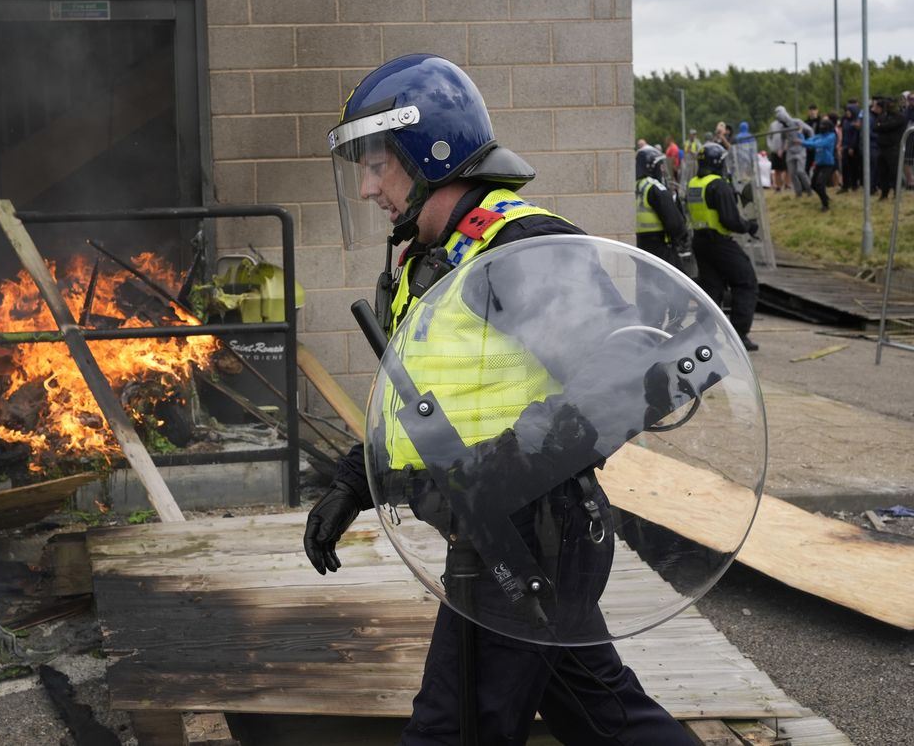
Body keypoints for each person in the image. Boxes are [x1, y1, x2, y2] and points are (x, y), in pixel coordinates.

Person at [304, 54, 692, 746]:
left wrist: (503, 469)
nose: (367, 189)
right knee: (606, 720)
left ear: (431, 152)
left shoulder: (516, 249)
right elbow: (437, 401)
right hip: (515, 535)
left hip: (524, 535)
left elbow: (624, 378)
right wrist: (354, 481)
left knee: (452, 731)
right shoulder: (443, 254)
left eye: (377, 164)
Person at [687, 142, 760, 351]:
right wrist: (749, 226)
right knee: (746, 281)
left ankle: (704, 334)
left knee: (711, 289)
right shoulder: (718, 185)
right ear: (718, 162)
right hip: (719, 242)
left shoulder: (694, 183)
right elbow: (730, 220)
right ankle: (739, 335)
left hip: (700, 242)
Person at [873, 96, 908, 200]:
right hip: (882, 148)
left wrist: (882, 126)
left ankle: (897, 194)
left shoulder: (900, 117)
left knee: (894, 172)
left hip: (893, 148)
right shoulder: (883, 116)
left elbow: (889, 126)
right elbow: (875, 127)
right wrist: (883, 126)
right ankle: (884, 194)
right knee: (883, 172)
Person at [776, 106, 813, 197]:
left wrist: (810, 142)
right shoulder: (782, 128)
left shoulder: (797, 122)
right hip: (790, 151)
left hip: (800, 149)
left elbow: (810, 130)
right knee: (792, 173)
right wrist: (781, 149)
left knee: (800, 171)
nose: (782, 123)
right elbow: (783, 139)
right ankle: (798, 193)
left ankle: (809, 190)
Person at [803, 119, 837, 211]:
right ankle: (825, 198)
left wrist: (801, 142)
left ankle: (825, 205)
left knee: (820, 184)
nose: (822, 127)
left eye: (824, 125)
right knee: (813, 185)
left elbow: (818, 144)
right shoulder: (819, 136)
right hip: (819, 164)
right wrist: (799, 134)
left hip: (828, 164)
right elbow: (808, 141)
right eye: (821, 125)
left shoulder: (831, 136)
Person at [839, 99, 861, 192]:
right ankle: (845, 185)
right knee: (845, 167)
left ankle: (854, 184)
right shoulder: (845, 121)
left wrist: (852, 147)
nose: (847, 113)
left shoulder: (856, 122)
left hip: (853, 147)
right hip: (845, 145)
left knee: (854, 167)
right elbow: (844, 133)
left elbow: (855, 135)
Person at [766, 113, 788, 191]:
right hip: (775, 151)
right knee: (777, 169)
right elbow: (769, 136)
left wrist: (784, 148)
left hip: (785, 150)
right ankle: (778, 186)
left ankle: (787, 185)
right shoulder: (773, 125)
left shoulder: (787, 124)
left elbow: (787, 138)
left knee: (786, 169)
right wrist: (771, 147)